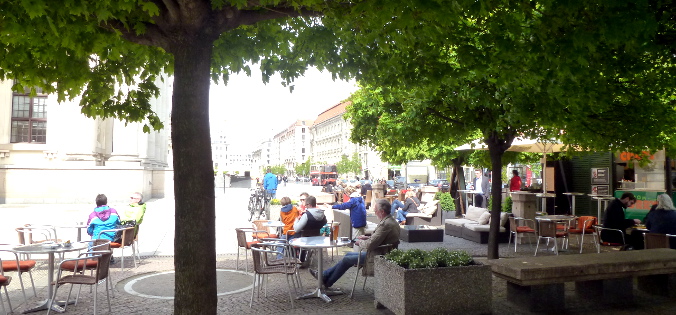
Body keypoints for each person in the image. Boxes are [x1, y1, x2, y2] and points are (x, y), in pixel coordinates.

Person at [312, 198, 400, 288]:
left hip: (379, 256)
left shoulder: (384, 225)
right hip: (383, 252)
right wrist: (368, 237)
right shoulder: (391, 221)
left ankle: (327, 281)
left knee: (347, 260)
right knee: (348, 255)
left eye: (375, 210)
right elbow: (381, 239)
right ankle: (325, 276)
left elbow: (370, 245)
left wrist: (360, 242)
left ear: (381, 211)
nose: (374, 212)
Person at [294, 196, 327, 264]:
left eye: (306, 205)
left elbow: (296, 229)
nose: (305, 207)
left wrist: (296, 221)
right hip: (317, 236)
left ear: (309, 204)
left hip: (305, 238)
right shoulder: (322, 214)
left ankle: (300, 260)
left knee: (293, 237)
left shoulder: (307, 215)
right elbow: (325, 222)